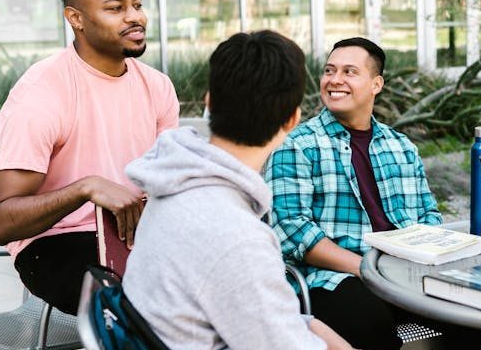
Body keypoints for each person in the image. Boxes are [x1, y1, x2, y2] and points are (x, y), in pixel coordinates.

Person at [265, 37, 481, 349]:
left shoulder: (400, 145)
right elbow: (293, 230)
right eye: (329, 71)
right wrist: (368, 270)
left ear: (376, 84)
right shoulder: (297, 144)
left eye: (349, 72)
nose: (335, 80)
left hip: (405, 274)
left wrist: (416, 262)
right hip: (334, 277)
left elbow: (429, 216)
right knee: (368, 322)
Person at [122, 30, 351, 350]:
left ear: (208, 102)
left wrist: (313, 326)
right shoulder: (238, 238)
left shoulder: (171, 184)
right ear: (292, 120)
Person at [0, 0, 179, 315]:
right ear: (76, 18)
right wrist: (84, 189)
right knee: (147, 301)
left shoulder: (157, 87)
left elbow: (168, 181)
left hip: (141, 236)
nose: (135, 17)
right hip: (58, 243)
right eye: (115, 8)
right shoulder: (42, 92)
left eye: (136, 5)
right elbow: (0, 223)